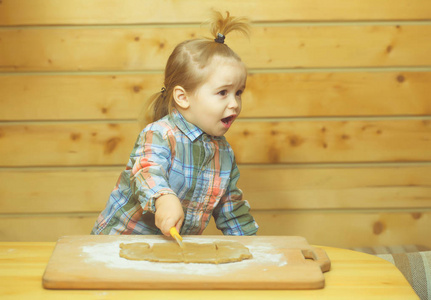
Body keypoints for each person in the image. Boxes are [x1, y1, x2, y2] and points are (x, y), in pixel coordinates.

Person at [91, 11, 258, 237]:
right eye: (223, 92)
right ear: (183, 97)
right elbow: (147, 171)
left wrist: (251, 246)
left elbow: (232, 210)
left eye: (238, 93)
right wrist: (164, 198)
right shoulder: (159, 134)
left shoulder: (224, 153)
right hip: (119, 244)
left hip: (170, 252)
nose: (234, 104)